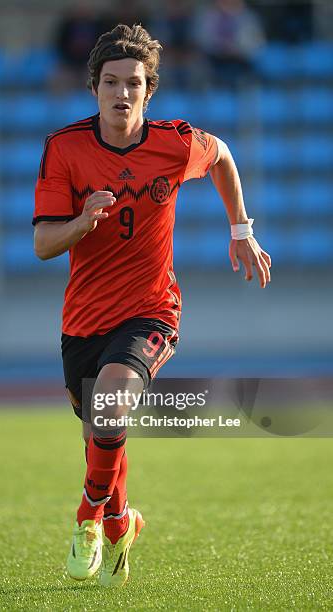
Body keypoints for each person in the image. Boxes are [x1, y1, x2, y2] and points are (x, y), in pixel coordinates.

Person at [33, 24, 271, 588]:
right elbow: (43, 244)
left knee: (111, 403)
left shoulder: (175, 143)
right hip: (83, 320)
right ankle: (119, 522)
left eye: (133, 84)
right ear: (94, 88)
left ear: (149, 91)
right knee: (101, 430)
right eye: (110, 82)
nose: (121, 93)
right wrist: (83, 221)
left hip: (151, 309)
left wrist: (241, 228)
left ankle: (86, 518)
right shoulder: (64, 148)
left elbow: (222, 157)